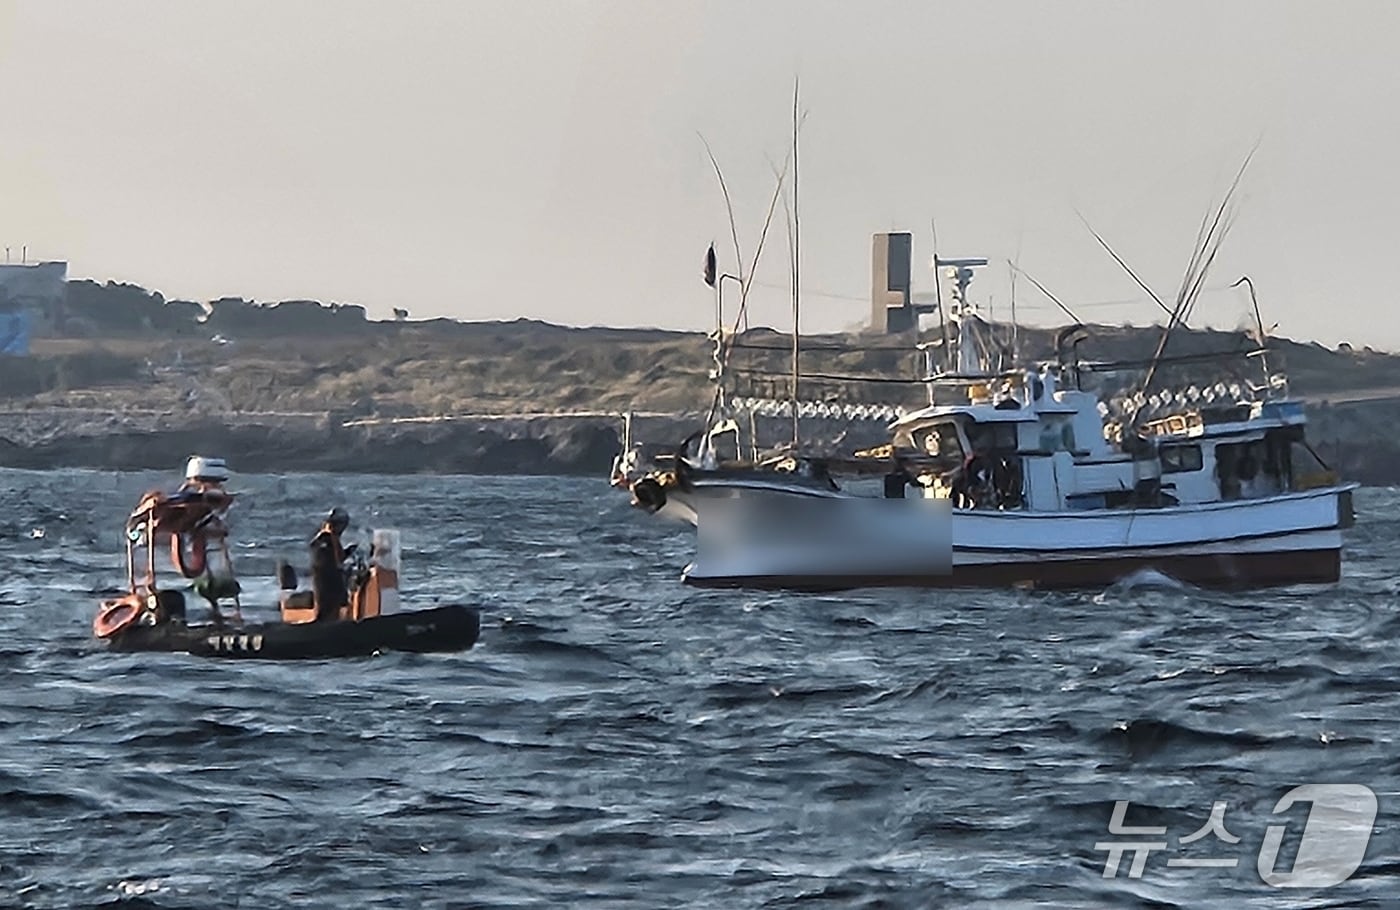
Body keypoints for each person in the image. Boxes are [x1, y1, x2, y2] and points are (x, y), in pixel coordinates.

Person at [309, 507, 355, 621]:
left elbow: (336, 557)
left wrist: (349, 551)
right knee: (329, 612)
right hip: (328, 581)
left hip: (325, 580)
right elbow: (335, 560)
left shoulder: (322, 539)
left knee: (330, 610)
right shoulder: (327, 539)